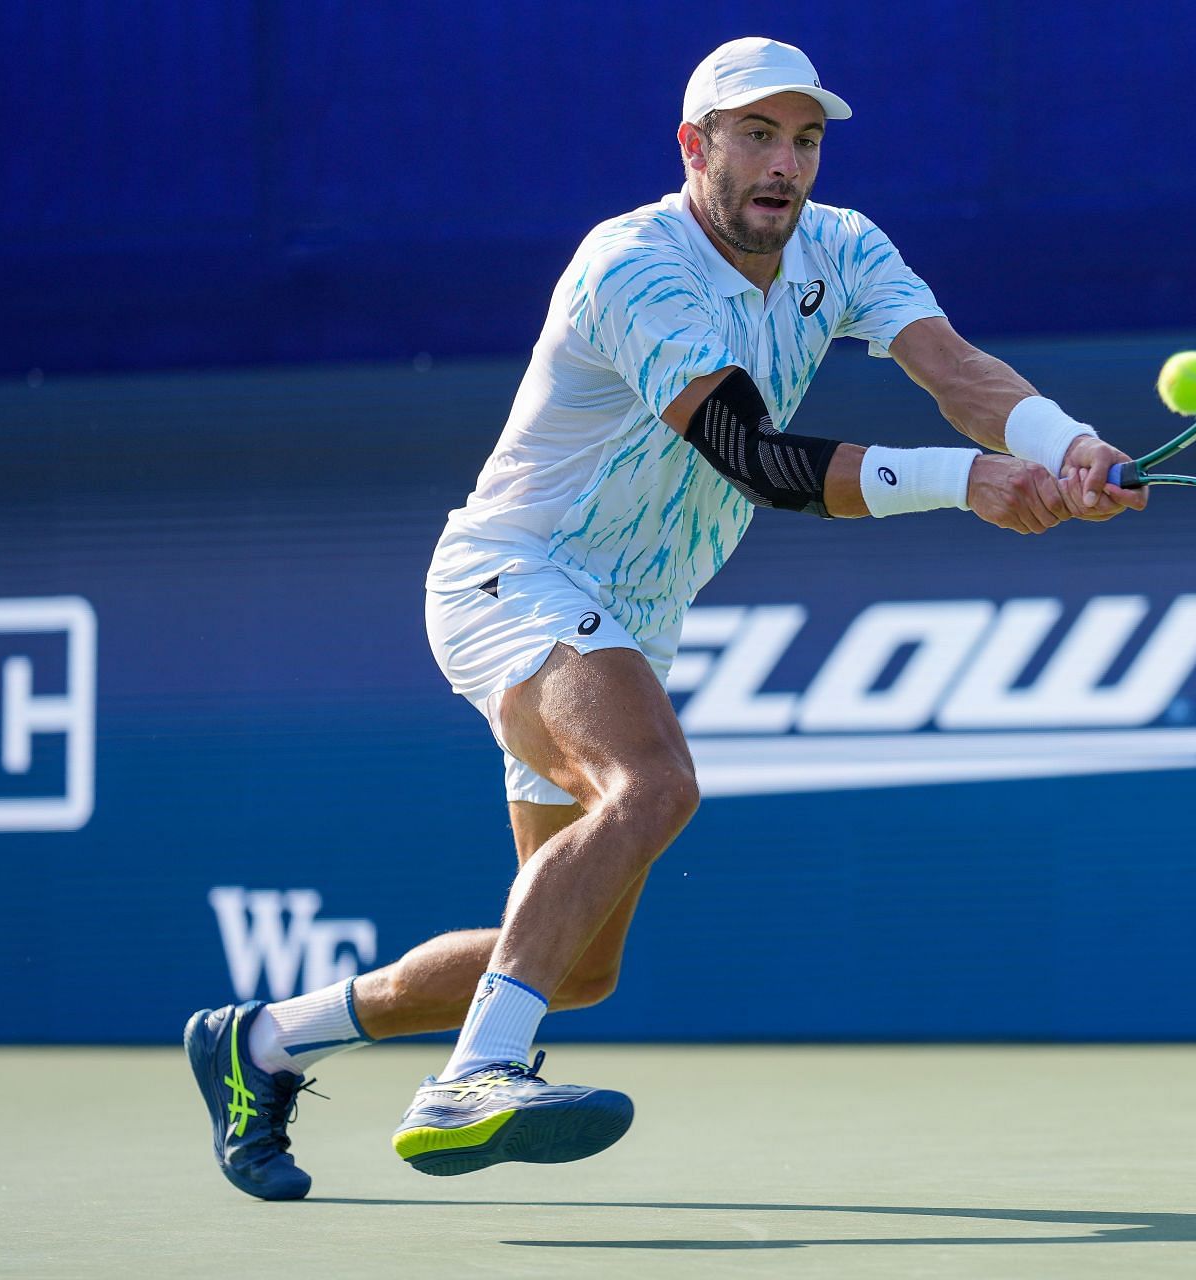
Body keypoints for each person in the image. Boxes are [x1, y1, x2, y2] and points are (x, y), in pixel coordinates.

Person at [185, 35, 1147, 1201]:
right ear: (695, 147)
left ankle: (266, 1038)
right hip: (514, 574)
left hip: (636, 608)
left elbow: (950, 367)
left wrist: (1063, 446)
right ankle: (471, 1076)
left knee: (577, 968)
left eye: (804, 140)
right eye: (756, 136)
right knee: (654, 783)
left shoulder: (841, 247)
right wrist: (967, 482)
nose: (784, 164)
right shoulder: (632, 263)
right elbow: (752, 454)